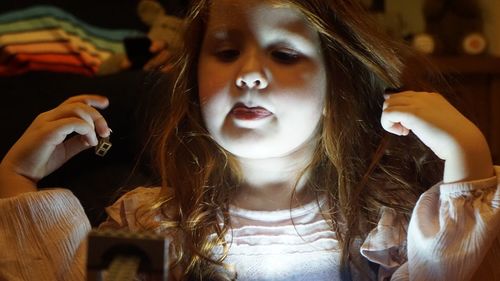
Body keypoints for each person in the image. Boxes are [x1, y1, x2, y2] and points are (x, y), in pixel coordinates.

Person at [0, 0, 499, 280]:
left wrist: (467, 156)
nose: (251, 73)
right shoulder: (150, 223)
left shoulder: (381, 231)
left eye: (284, 53)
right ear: (195, 79)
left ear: (335, 87)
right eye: (227, 50)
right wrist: (15, 180)